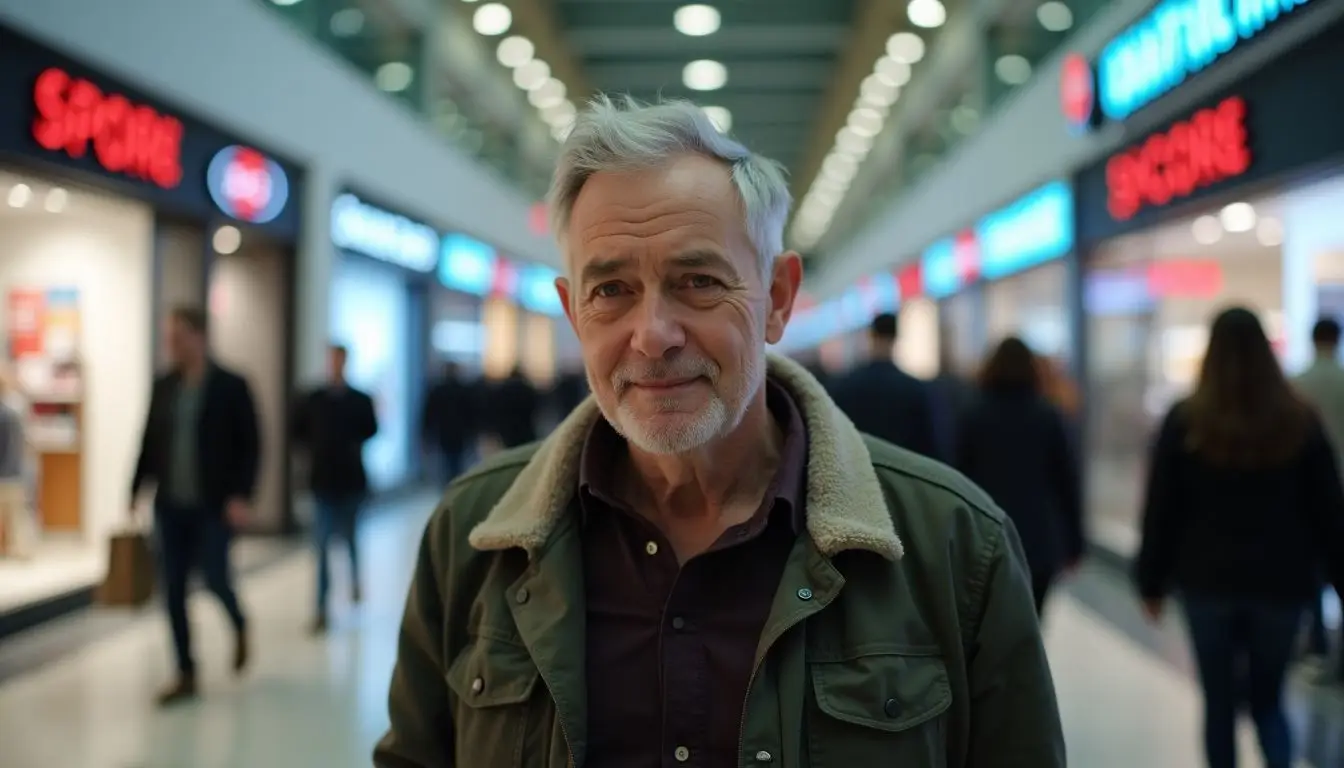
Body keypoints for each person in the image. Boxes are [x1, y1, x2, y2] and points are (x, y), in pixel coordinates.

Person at [376, 97, 1064, 767]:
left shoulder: (955, 548)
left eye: (699, 281)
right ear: (574, 310)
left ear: (777, 299)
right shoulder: (473, 536)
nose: (652, 336)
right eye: (611, 290)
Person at [1135, 307, 1344, 768]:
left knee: (1219, 702)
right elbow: (1329, 510)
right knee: (1270, 700)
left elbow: (1161, 507)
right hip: (1281, 585)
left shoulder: (1187, 420)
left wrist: (1150, 580)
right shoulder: (1299, 420)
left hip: (1207, 583)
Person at [130, 305, 260, 706]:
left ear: (199, 336)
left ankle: (239, 622)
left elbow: (251, 444)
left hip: (214, 505)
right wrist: (134, 489)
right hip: (171, 504)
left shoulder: (230, 385)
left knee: (216, 576)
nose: (172, 343)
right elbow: (150, 439)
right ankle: (186, 671)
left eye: (179, 335)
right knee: (172, 590)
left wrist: (241, 495)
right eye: (169, 336)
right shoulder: (165, 385)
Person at [956, 337, 1083, 615]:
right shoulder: (1047, 416)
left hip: (985, 535)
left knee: (990, 620)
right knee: (1031, 619)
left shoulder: (973, 415)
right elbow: (1067, 483)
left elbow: (957, 478)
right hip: (1037, 539)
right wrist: (1075, 544)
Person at [292, 344, 378, 633]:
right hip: (323, 481)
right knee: (322, 546)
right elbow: (299, 432)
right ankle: (320, 608)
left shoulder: (359, 399)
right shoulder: (314, 399)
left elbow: (371, 429)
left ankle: (354, 582)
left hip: (351, 480)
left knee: (351, 539)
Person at [1292, 316, 1344, 671]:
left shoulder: (1297, 384)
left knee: (1309, 563)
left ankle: (1317, 641)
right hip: (1340, 482)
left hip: (1306, 487)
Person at [829, 312, 943, 459]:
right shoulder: (915, 389)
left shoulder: (845, 385)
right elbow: (930, 446)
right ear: (896, 338)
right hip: (902, 471)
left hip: (856, 470)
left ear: (871, 336)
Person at [420, 361, 478, 483]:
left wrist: (426, 432)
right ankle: (456, 483)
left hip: (444, 431)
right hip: (459, 432)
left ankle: (450, 484)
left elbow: (429, 413)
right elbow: (472, 413)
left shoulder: (438, 390)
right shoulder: (464, 390)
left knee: (447, 461)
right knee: (456, 460)